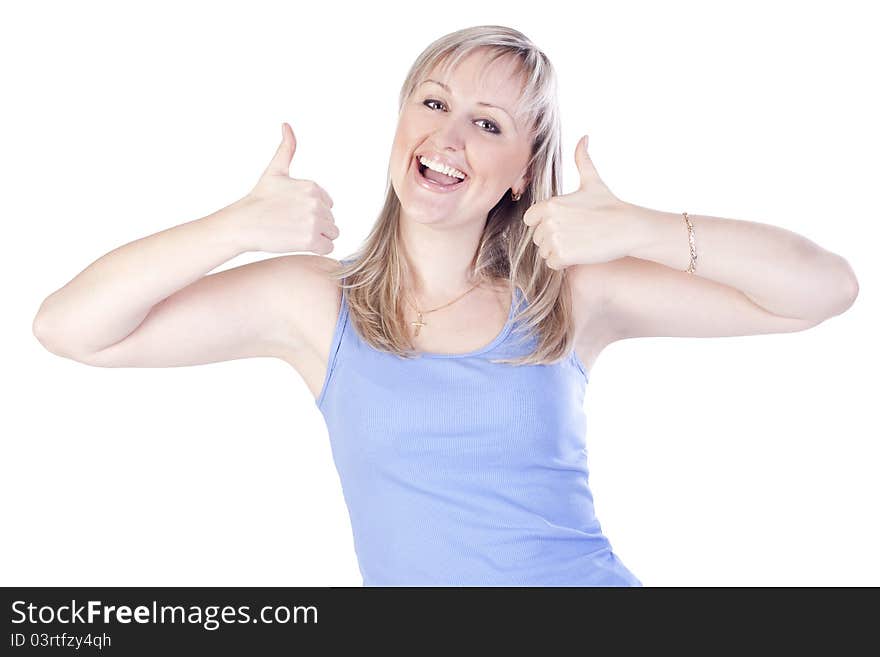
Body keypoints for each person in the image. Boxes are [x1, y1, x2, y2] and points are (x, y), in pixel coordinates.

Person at [32, 25, 859, 586]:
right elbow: (70, 328)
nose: (448, 136)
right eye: (432, 103)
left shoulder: (569, 295)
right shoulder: (318, 305)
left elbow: (823, 290)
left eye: (487, 123)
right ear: (399, 122)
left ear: (523, 171)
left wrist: (642, 228)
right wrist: (233, 228)